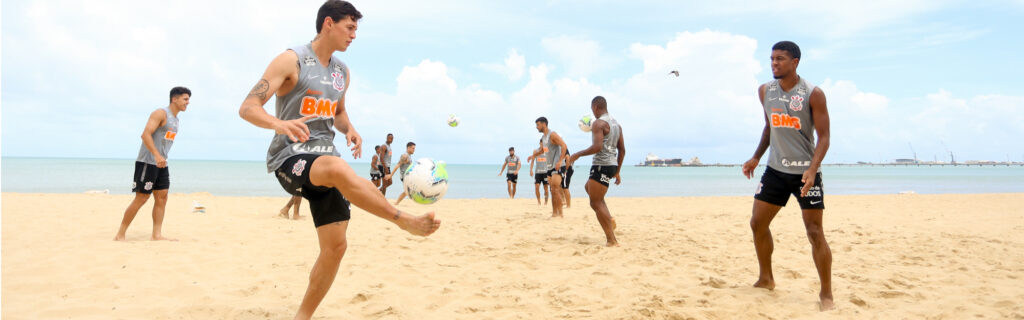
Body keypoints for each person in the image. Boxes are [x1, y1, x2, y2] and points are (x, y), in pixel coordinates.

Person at [236, 2, 440, 318]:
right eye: (350, 27)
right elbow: (248, 106)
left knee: (335, 248)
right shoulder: (291, 60)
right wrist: (279, 124)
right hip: (290, 157)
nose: (354, 35)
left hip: (326, 157)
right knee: (337, 167)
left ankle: (302, 316)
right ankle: (404, 221)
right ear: (328, 24)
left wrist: (351, 130)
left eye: (356, 29)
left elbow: (339, 112)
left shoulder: (341, 72)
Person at [741, 41, 833, 311]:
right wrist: (756, 156)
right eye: (771, 59)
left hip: (805, 172)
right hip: (775, 170)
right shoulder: (765, 91)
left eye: (780, 59)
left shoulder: (813, 93)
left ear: (795, 62)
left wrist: (813, 169)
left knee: (815, 232)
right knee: (757, 224)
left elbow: (824, 137)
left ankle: (826, 294)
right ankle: (766, 278)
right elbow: (769, 127)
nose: (774, 63)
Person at [114, 86, 191, 241]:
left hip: (162, 163)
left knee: (162, 197)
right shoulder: (160, 113)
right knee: (141, 198)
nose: (188, 103)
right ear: (174, 99)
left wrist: (161, 157)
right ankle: (120, 234)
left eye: (188, 99)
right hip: (147, 162)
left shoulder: (176, 120)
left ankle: (156, 235)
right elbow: (145, 134)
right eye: (185, 99)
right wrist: (156, 155)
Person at [568, 96, 623, 247]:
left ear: (595, 108)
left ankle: (612, 240)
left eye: (592, 109)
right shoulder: (617, 125)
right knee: (589, 189)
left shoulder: (598, 123)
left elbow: (597, 147)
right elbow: (622, 150)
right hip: (610, 166)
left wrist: (577, 154)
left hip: (601, 165)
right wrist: (617, 171)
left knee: (596, 202)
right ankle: (609, 219)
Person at [531, 117, 568, 218]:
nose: (536, 127)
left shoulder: (552, 135)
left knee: (556, 188)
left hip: (558, 165)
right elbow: (543, 150)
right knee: (553, 190)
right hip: (550, 166)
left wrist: (560, 161)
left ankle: (560, 214)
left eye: (538, 125)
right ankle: (554, 213)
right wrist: (534, 155)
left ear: (544, 124)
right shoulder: (544, 137)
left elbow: (564, 146)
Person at [528, 140, 549, 205]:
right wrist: (531, 170)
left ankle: (545, 202)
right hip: (538, 172)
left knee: (546, 188)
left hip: (545, 172)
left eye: (544, 143)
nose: (542, 144)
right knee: (536, 186)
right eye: (541, 143)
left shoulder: (547, 150)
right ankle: (539, 201)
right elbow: (532, 161)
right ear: (539, 143)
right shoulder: (535, 151)